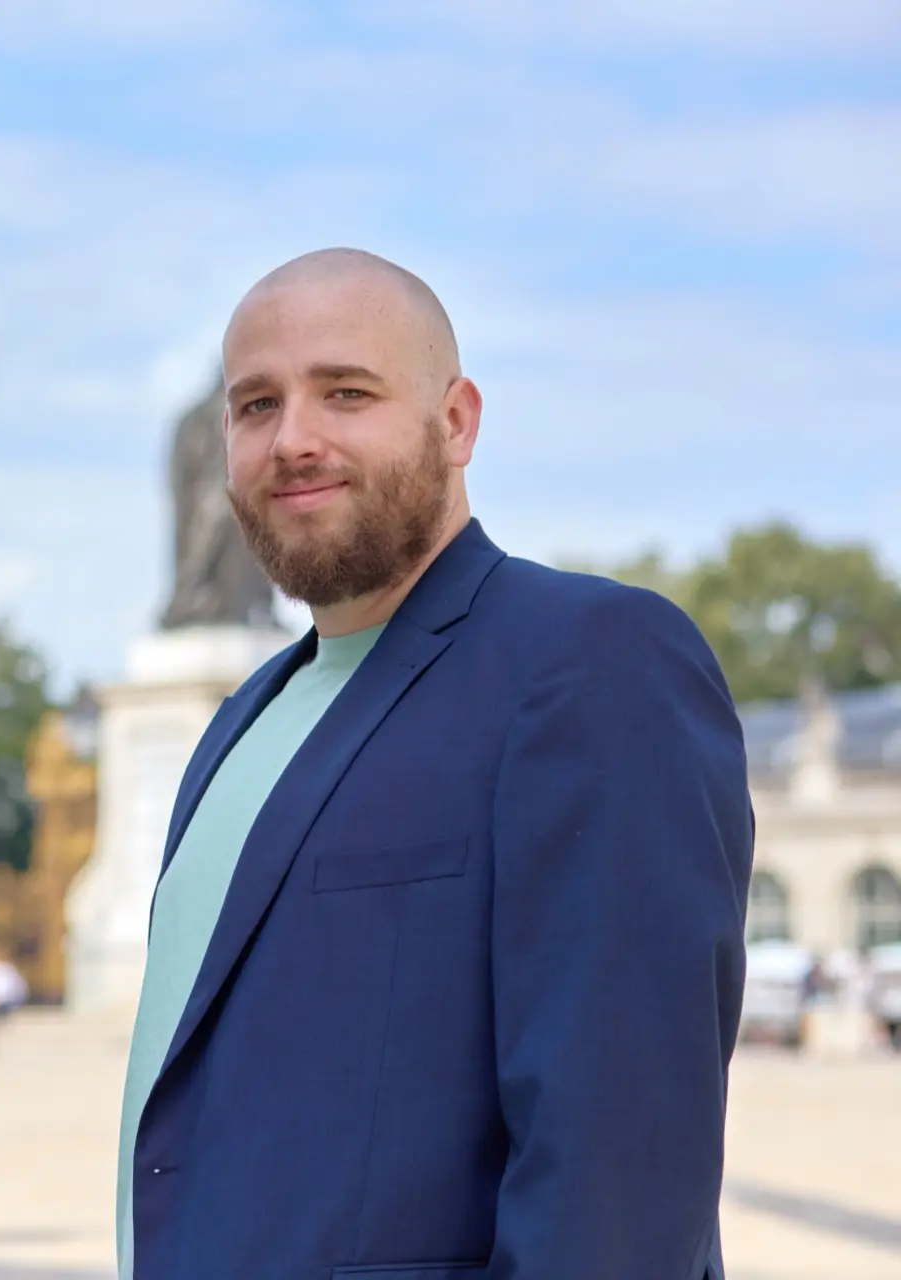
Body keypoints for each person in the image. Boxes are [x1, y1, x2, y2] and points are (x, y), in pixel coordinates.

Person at [116, 249, 752, 1279]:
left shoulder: (588, 661)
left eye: (347, 393)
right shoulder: (239, 721)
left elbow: (621, 1173)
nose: (295, 439)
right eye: (255, 405)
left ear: (457, 420)